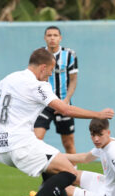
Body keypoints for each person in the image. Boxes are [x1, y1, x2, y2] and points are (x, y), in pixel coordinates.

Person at [0, 48, 114, 196]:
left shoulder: (11, 78)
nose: (50, 75)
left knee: (51, 168)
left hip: (2, 148)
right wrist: (97, 114)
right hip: (21, 144)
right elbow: (65, 109)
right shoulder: (38, 86)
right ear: (43, 67)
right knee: (70, 172)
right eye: (51, 70)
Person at [27, 119, 115, 196]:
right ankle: (46, 194)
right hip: (105, 185)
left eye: (100, 135)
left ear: (108, 132)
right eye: (93, 135)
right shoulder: (106, 143)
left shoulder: (113, 152)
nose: (96, 139)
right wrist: (55, 156)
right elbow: (85, 158)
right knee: (69, 174)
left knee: (65, 188)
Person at [34, 26, 78, 155]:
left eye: (55, 35)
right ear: (45, 38)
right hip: (44, 104)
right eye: (49, 35)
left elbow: (73, 80)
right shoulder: (38, 54)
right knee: (37, 138)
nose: (52, 38)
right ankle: (42, 167)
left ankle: (73, 172)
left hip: (63, 102)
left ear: (60, 38)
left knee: (68, 143)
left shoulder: (69, 55)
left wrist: (66, 100)